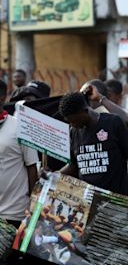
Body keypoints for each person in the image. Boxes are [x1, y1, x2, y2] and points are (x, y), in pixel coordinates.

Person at [58, 92, 128, 196]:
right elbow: (73, 165)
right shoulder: (74, 132)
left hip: (117, 200)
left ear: (85, 111)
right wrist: (53, 175)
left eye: (74, 121)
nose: (72, 125)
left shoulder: (112, 123)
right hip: (87, 201)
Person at [0, 79, 39, 264]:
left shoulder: (20, 126)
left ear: (2, 97)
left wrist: (31, 211)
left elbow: (32, 168)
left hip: (14, 214)